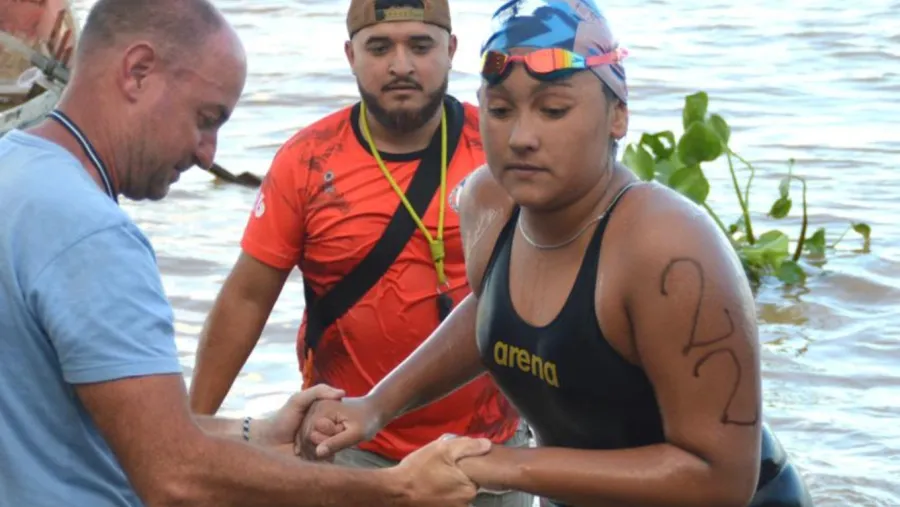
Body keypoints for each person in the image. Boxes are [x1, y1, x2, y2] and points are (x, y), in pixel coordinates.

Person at [296, 1, 816, 506]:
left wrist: (500, 465)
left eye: (554, 110)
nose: (521, 137)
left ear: (618, 116)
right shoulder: (488, 204)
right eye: (499, 110)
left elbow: (720, 479)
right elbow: (494, 312)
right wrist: (376, 407)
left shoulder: (668, 250)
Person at [0, 1, 493, 506]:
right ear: (138, 71)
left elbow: (119, 424)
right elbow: (175, 475)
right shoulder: (94, 238)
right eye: (205, 119)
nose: (207, 154)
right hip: (365, 450)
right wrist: (397, 489)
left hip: (483, 439)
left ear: (451, 50)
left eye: (420, 46)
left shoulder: (15, 169)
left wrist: (256, 431)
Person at [189, 1, 532, 505]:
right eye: (379, 47)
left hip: (486, 452)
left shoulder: (502, 148)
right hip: (347, 450)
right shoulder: (307, 161)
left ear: (452, 50)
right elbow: (246, 300)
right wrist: (190, 431)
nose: (400, 66)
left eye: (420, 45)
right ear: (350, 55)